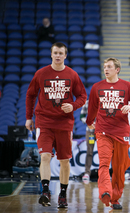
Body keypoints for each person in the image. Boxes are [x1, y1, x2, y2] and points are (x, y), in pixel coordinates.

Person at [25, 42, 87, 208]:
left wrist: (73, 106)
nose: (58, 55)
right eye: (55, 53)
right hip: (44, 122)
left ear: (65, 55)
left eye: (61, 53)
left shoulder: (72, 75)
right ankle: (45, 191)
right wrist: (28, 117)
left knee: (64, 161)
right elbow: (30, 95)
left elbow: (82, 96)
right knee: (45, 156)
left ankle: (63, 194)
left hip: (64, 124)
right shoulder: (41, 73)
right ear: (51, 54)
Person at [86, 57, 130, 210]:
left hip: (121, 131)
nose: (106, 69)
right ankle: (105, 191)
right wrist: (89, 121)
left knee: (119, 167)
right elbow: (91, 107)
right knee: (104, 163)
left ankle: (115, 198)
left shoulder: (127, 86)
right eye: (104, 66)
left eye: (109, 67)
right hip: (103, 131)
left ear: (117, 69)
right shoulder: (97, 87)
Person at [80, 100, 95, 183]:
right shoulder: (87, 103)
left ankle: (105, 173)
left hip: (101, 132)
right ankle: (87, 172)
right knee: (89, 152)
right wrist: (89, 123)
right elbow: (81, 116)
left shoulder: (104, 102)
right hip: (91, 132)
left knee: (103, 152)